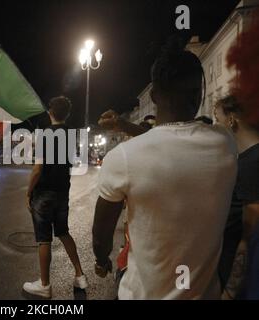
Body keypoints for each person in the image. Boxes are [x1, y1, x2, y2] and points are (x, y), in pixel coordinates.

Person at [93, 38, 237, 299]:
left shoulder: (124, 157)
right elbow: (169, 139)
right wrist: (125, 125)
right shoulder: (225, 144)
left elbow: (100, 236)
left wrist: (102, 261)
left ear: (153, 96)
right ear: (200, 94)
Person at [23, 96, 87, 299]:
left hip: (44, 194)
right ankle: (80, 275)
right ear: (67, 114)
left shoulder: (46, 135)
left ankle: (44, 285)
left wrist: (28, 191)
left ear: (50, 112)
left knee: (44, 240)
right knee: (63, 232)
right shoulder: (71, 134)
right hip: (62, 192)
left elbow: (38, 168)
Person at [213, 95, 259, 299]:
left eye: (217, 119)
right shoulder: (248, 159)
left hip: (245, 281)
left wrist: (230, 292)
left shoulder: (250, 165)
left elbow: (248, 237)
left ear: (231, 120)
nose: (216, 125)